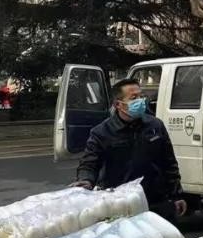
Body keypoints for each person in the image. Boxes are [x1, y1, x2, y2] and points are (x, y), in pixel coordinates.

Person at [75, 78, 185, 219]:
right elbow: (89, 164)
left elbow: (169, 163)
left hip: (157, 201)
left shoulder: (155, 125)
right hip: (120, 204)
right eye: (134, 98)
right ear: (118, 104)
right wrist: (86, 180)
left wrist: (176, 195)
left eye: (141, 96)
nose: (140, 101)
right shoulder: (102, 132)